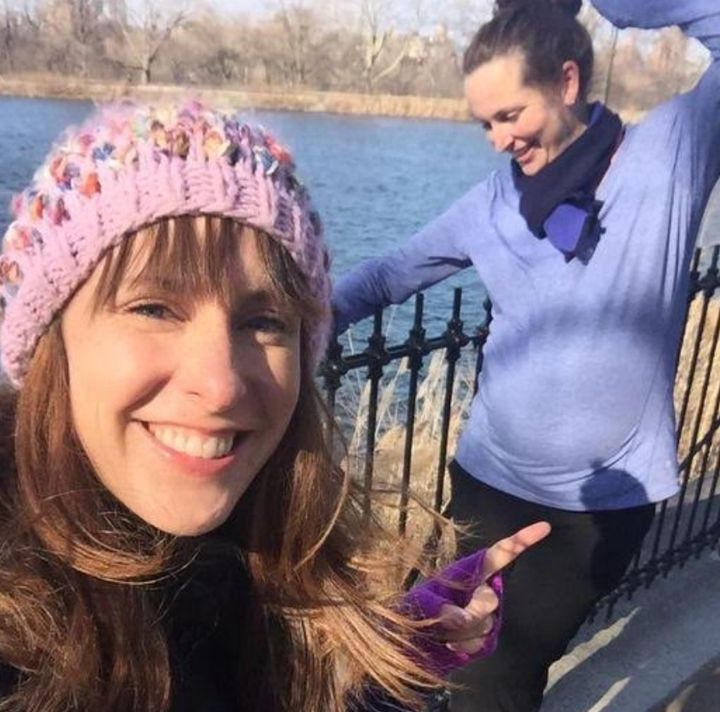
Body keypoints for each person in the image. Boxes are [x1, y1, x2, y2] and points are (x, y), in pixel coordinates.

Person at [0, 101, 551, 712]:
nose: (222, 385)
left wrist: (402, 660)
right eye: (154, 308)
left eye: (263, 321)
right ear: (50, 341)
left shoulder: (245, 563)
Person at [332, 0, 720, 709]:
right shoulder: (493, 204)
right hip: (486, 482)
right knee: (422, 645)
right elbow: (391, 272)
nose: (497, 139)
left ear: (567, 82)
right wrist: (296, 322)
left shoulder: (668, 158)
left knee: (495, 675)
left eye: (510, 115)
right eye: (485, 123)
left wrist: (623, 6)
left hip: (594, 508)